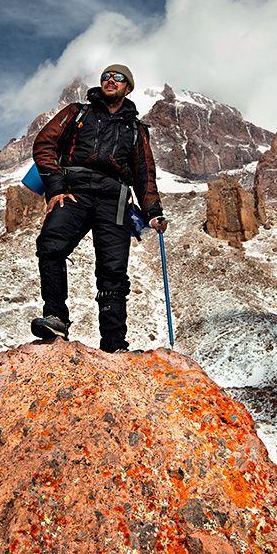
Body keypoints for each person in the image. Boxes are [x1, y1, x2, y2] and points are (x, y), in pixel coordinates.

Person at [31, 64, 168, 353]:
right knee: (51, 245)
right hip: (74, 191)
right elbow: (44, 144)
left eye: (118, 78)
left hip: (114, 198)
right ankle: (55, 318)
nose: (110, 80)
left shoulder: (136, 129)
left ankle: (114, 345)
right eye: (106, 76)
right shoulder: (76, 112)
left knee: (113, 272)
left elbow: (145, 173)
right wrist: (56, 187)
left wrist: (153, 211)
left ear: (128, 87)